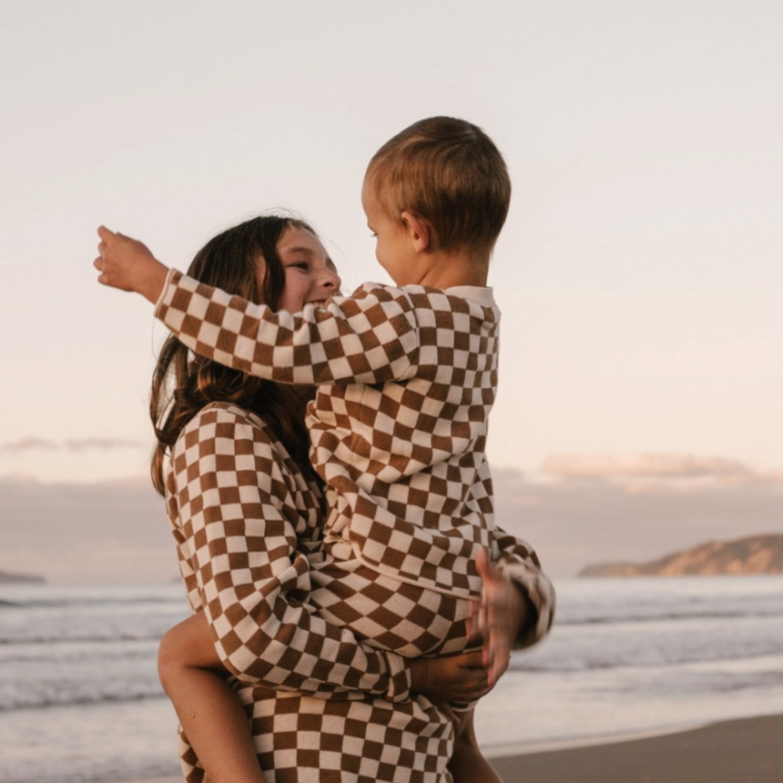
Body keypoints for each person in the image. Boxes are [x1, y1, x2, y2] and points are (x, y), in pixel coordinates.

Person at [95, 117, 555, 781]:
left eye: (337, 262)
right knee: (182, 652)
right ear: (238, 305)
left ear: (415, 229)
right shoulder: (227, 434)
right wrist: (416, 672)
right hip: (323, 763)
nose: (338, 284)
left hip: (406, 757)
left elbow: (477, 527)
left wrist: (514, 595)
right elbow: (258, 633)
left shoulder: (358, 432)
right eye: (300, 265)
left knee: (180, 651)